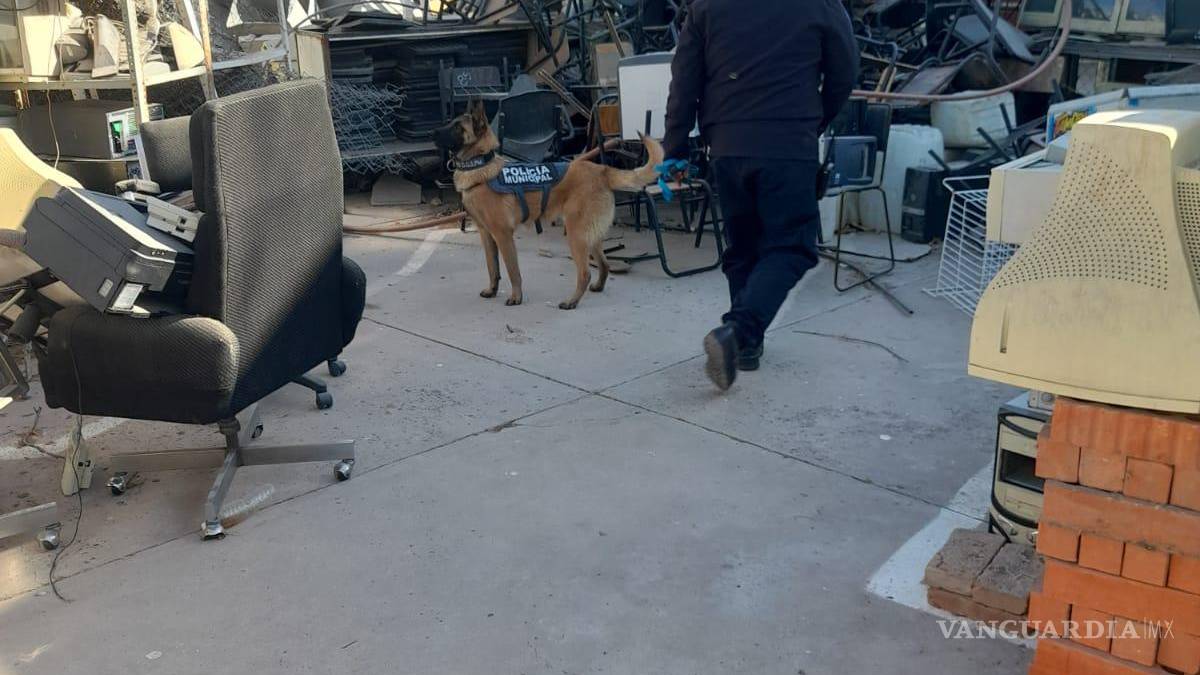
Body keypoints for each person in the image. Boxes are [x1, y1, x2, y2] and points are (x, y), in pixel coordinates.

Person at [661, 0, 860, 391]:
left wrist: (676, 148)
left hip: (728, 145)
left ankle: (746, 348)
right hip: (788, 142)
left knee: (743, 247)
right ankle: (739, 332)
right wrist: (815, 121)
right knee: (793, 247)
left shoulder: (706, 6)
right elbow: (845, 70)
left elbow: (684, 80)